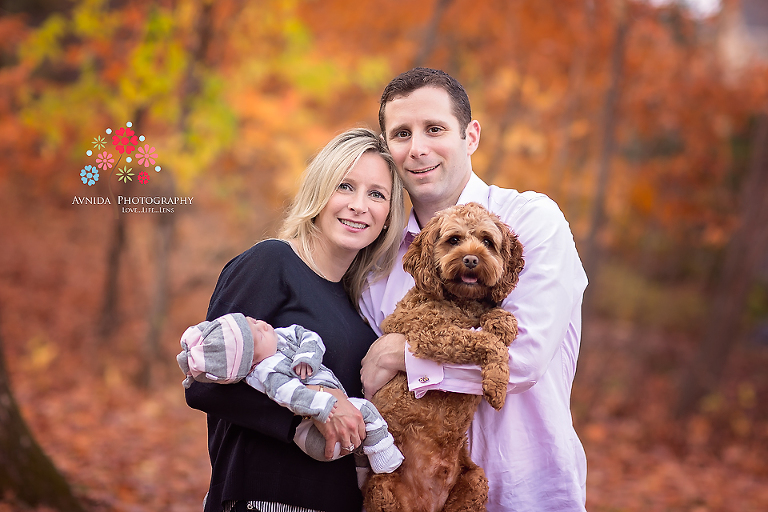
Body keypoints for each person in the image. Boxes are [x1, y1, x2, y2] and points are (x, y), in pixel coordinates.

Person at [360, 67, 589, 511]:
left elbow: (520, 360)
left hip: (526, 494)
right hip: (416, 498)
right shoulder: (379, 265)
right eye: (402, 133)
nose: (418, 148)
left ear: (471, 136)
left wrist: (401, 354)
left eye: (435, 129)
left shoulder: (531, 221)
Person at [185, 127, 405, 512]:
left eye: (376, 194)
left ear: (388, 215)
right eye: (344, 186)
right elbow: (201, 381)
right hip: (262, 496)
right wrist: (309, 412)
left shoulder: (361, 308)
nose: (359, 205)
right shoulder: (272, 263)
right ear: (319, 194)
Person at [177, 312, 404, 476]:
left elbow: (308, 336)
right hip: (316, 439)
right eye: (259, 337)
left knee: (357, 440)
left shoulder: (280, 337)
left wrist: (307, 356)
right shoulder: (267, 373)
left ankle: (364, 474)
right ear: (250, 363)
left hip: (337, 443)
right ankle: (386, 457)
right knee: (364, 411)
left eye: (254, 322)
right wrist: (325, 406)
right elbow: (292, 396)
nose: (264, 327)